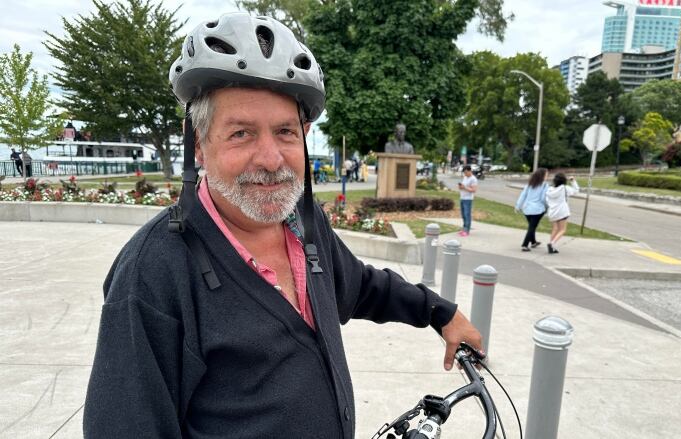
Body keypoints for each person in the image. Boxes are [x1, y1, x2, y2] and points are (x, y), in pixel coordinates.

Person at [83, 13, 481, 439]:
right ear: (198, 144)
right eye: (241, 133)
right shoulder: (152, 271)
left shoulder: (304, 223)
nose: (271, 159)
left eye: (285, 132)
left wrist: (440, 312)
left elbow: (359, 286)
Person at [515, 168, 548, 252]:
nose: (547, 176)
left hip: (527, 209)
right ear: (542, 176)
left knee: (531, 226)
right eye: (546, 175)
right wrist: (547, 207)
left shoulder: (530, 184)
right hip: (537, 209)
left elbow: (523, 195)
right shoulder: (544, 185)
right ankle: (525, 245)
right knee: (532, 227)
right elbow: (543, 198)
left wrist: (518, 206)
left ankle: (533, 242)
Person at [545, 172, 579, 254]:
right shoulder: (565, 188)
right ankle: (552, 244)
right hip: (562, 212)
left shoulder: (549, 189)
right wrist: (573, 181)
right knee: (562, 230)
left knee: (555, 229)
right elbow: (576, 191)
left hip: (552, 212)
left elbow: (547, 200)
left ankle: (552, 246)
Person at [457, 165, 478, 237]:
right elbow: (463, 186)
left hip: (468, 199)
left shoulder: (473, 179)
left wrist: (464, 187)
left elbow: (473, 190)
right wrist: (461, 187)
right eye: (464, 172)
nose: (465, 174)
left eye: (466, 172)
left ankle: (467, 230)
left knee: (467, 214)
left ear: (470, 171)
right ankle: (464, 228)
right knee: (463, 214)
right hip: (462, 198)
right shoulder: (465, 177)